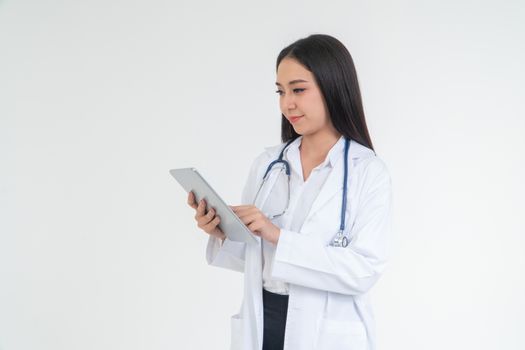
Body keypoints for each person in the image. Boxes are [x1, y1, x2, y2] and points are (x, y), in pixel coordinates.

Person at [187, 34, 392, 350]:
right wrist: (223, 231)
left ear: (333, 87)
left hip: (326, 333)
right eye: (281, 92)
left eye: (298, 90)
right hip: (264, 321)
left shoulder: (367, 171)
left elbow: (363, 271)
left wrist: (276, 235)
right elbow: (254, 259)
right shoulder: (269, 164)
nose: (287, 104)